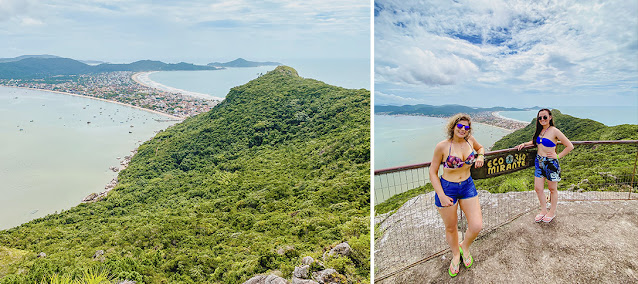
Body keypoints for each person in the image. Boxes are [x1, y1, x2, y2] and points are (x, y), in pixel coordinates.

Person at [429, 113, 485, 277]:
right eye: (459, 126)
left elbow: (480, 148)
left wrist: (480, 156)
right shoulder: (442, 146)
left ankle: (464, 246)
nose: (463, 129)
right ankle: (455, 255)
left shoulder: (471, 141)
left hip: (467, 186)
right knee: (451, 227)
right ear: (453, 127)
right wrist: (441, 195)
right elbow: (433, 172)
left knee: (476, 225)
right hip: (448, 188)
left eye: (466, 127)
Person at [516, 109, 573, 223]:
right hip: (539, 162)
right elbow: (535, 142)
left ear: (550, 118)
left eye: (545, 117)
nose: (542, 119)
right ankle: (543, 210)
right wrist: (524, 144)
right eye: (540, 118)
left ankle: (551, 211)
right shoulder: (540, 131)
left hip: (550, 163)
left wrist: (557, 156)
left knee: (552, 189)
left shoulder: (554, 131)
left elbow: (569, 146)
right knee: (538, 188)